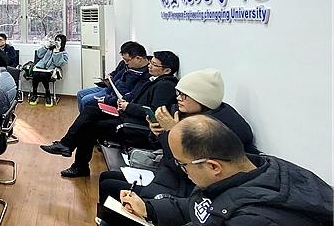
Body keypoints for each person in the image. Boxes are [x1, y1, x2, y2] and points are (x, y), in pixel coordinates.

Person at [95, 116, 334, 226]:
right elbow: (199, 208)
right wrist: (149, 209)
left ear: (213, 166)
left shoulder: (256, 224)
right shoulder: (251, 171)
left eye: (183, 165)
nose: (183, 171)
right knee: (116, 222)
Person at [97, 68, 257, 204]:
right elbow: (164, 152)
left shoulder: (213, 129)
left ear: (202, 99)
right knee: (106, 177)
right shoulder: (184, 113)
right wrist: (157, 133)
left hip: (181, 190)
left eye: (184, 95)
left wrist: (172, 132)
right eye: (178, 93)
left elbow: (182, 166)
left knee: (108, 185)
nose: (179, 98)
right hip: (166, 176)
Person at [40, 50, 180, 178]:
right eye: (151, 62)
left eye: (154, 64)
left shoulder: (165, 86)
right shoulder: (155, 80)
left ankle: (75, 159)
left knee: (88, 126)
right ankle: (66, 145)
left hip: (134, 126)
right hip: (127, 115)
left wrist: (128, 106)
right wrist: (124, 102)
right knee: (90, 109)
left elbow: (154, 113)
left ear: (167, 70)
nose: (149, 66)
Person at [78, 41, 151, 111]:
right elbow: (116, 75)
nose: (126, 63)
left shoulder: (146, 74)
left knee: (86, 100)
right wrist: (109, 83)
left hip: (117, 97)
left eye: (127, 60)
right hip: (110, 89)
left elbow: (131, 96)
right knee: (80, 94)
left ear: (138, 59)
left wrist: (108, 99)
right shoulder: (128, 65)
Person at [29, 34, 69, 107]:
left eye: (59, 40)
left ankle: (48, 95)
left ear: (62, 42)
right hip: (40, 67)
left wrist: (57, 52)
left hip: (51, 69)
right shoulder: (49, 49)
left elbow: (58, 63)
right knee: (35, 74)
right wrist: (45, 47)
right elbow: (39, 54)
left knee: (43, 75)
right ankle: (34, 95)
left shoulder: (63, 53)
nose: (56, 42)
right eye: (56, 40)